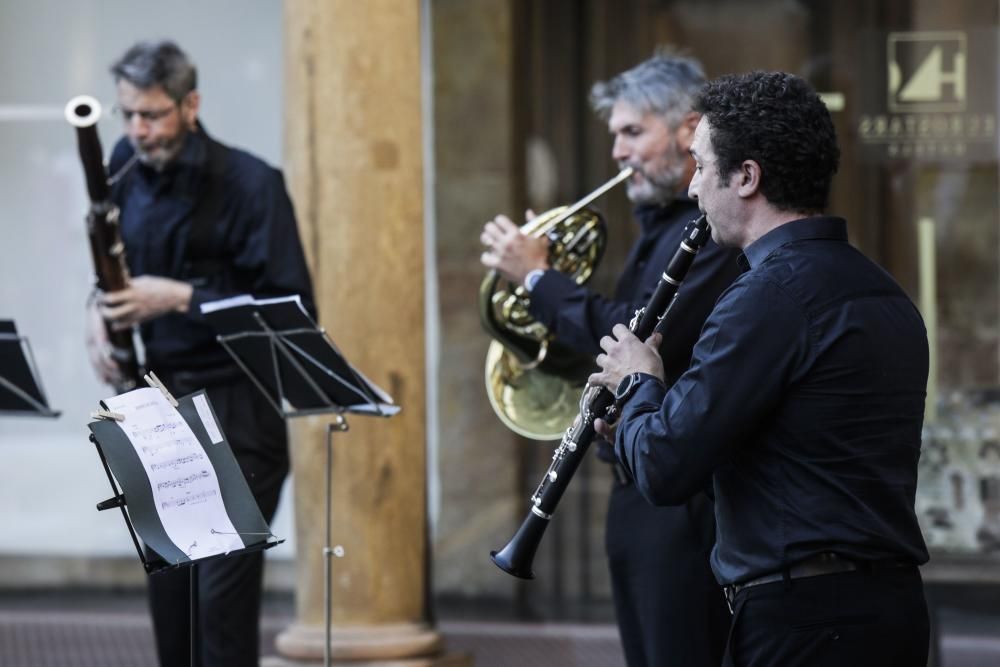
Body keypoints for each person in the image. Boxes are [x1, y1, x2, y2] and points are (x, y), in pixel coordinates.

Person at [591, 70, 931, 666]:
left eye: (700, 167)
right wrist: (634, 425)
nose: (693, 188)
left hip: (803, 620)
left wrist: (638, 379)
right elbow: (782, 453)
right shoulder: (885, 292)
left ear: (747, 177)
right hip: (889, 610)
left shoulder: (765, 299)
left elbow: (666, 468)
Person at [480, 52, 737, 667]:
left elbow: (638, 337)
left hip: (682, 501)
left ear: (687, 129)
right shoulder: (658, 225)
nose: (618, 152)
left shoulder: (714, 230)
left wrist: (540, 280)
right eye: (614, 135)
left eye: (632, 131)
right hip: (635, 482)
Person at [85, 40, 315, 667]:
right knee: (172, 601)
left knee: (220, 608)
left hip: (237, 410)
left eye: (153, 115)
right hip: (151, 406)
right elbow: (112, 272)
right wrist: (96, 321)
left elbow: (291, 310)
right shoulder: (122, 167)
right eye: (128, 114)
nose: (138, 130)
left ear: (192, 105)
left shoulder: (252, 183)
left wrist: (181, 298)